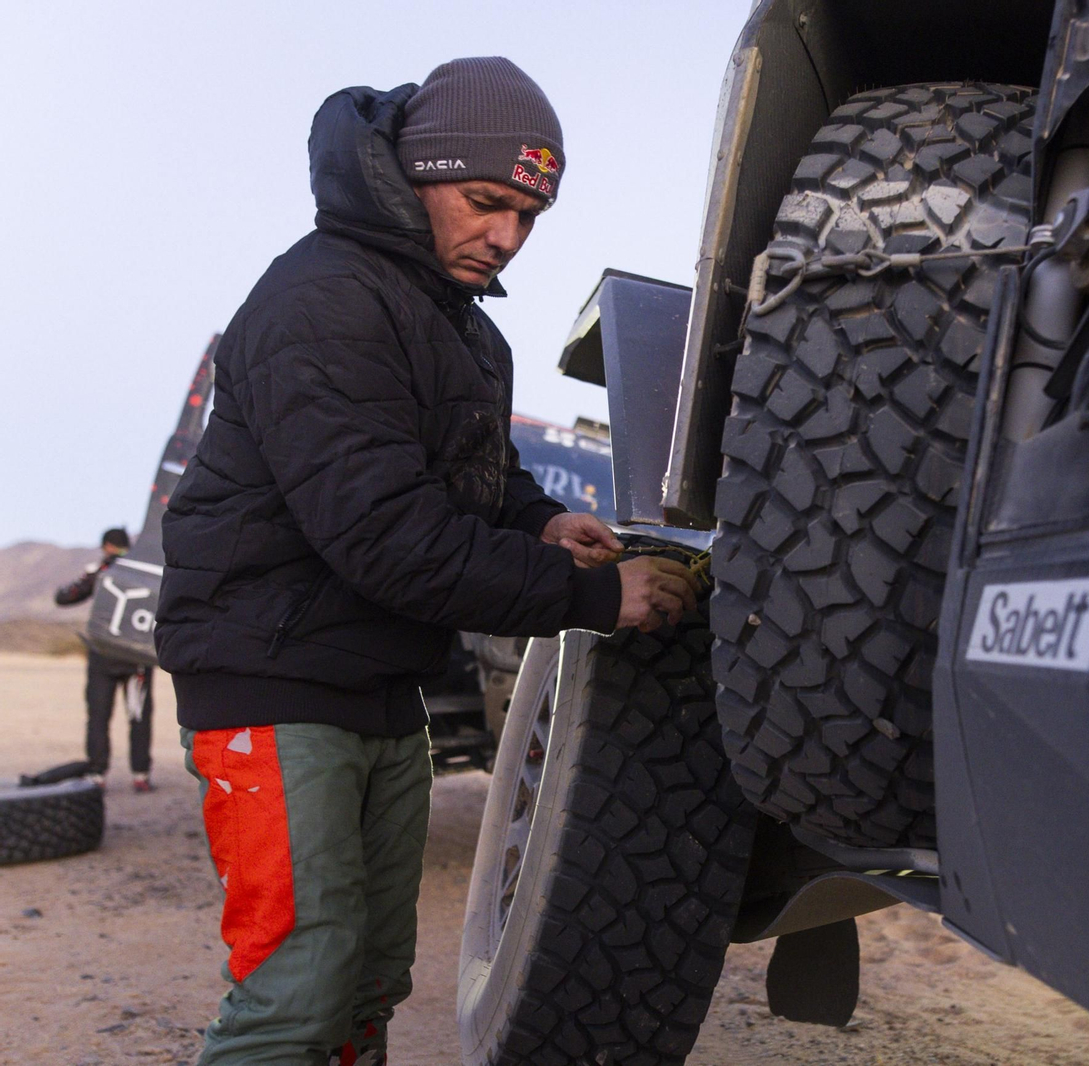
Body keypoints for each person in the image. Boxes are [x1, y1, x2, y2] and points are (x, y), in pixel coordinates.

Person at [153, 57, 697, 1066]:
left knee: (368, 984)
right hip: (272, 681)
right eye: (487, 203)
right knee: (296, 993)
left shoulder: (464, 330)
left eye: (528, 216)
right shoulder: (323, 299)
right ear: (416, 175)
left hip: (380, 683)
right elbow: (388, 537)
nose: (507, 236)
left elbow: (469, 475)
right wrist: (591, 595)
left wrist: (541, 521)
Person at [55, 526, 155, 792]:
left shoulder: (101, 571)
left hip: (103, 656)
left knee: (98, 717)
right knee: (139, 717)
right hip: (137, 659)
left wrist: (92, 575)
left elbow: (64, 597)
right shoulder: (145, 572)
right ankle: (141, 774)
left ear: (106, 546)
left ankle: (97, 775)